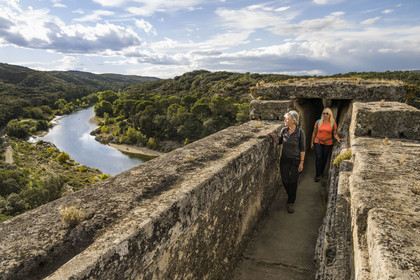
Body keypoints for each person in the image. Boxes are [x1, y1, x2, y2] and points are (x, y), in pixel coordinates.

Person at [268, 110, 306, 213]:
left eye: (287, 119)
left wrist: (302, 162)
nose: (285, 120)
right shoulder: (284, 130)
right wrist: (273, 137)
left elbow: (302, 149)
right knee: (285, 181)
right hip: (284, 160)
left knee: (293, 182)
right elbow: (279, 142)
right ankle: (291, 195)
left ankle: (291, 202)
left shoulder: (300, 133)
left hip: (296, 161)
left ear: (293, 121)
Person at [310, 108, 342, 182]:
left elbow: (335, 134)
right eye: (324, 113)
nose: (325, 115)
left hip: (328, 143)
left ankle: (321, 171)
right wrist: (311, 142)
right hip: (318, 142)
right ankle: (317, 175)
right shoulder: (318, 122)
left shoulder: (333, 123)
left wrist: (338, 138)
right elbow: (314, 133)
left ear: (330, 114)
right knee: (318, 157)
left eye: (327, 113)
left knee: (324, 158)